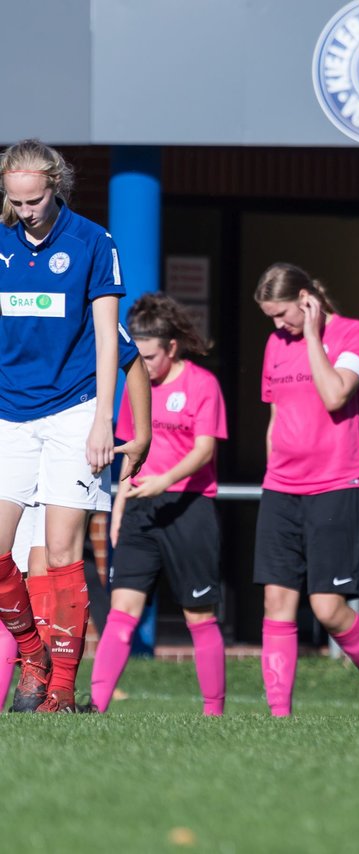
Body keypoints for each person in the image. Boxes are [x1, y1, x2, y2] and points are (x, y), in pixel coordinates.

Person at [0, 139, 148, 712]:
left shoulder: (92, 241)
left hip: (71, 409)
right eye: (15, 202)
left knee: (62, 554)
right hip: (9, 413)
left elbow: (112, 338)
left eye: (35, 200)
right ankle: (31, 652)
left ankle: (59, 689)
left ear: (55, 188)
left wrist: (102, 422)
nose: (26, 212)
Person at [254, 262, 359, 718]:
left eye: (283, 315)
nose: (278, 327)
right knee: (276, 600)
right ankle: (280, 716)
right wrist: (271, 468)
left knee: (329, 608)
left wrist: (313, 335)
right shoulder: (275, 343)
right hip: (281, 488)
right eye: (270, 319)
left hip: (337, 484)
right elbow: (275, 416)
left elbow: (336, 394)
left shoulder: (355, 334)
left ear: (306, 299)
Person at [90, 294, 228, 715]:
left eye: (149, 357)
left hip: (189, 506)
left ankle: (214, 712)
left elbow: (204, 450)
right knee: (121, 609)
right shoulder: (138, 387)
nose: (143, 365)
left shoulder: (203, 385)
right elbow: (130, 451)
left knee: (198, 614)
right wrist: (118, 512)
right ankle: (96, 706)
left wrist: (165, 481)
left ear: (171, 347)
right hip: (140, 509)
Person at [1, 335, 150, 710]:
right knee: (14, 570)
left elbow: (131, 360)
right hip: (16, 437)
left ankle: (55, 691)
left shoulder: (84, 300)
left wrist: (141, 434)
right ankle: (35, 660)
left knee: (49, 562)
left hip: (69, 437)